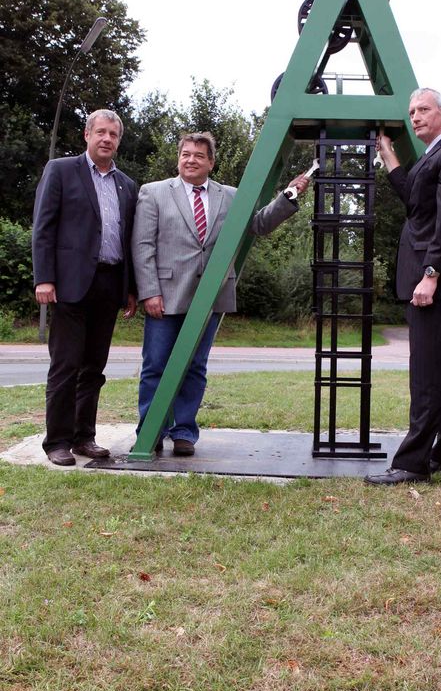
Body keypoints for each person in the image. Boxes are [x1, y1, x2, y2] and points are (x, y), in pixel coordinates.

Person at [132, 131, 310, 456]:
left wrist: (289, 195)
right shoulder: (153, 193)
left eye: (199, 155)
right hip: (164, 296)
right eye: (186, 154)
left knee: (195, 367)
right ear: (178, 157)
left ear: (211, 162)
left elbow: (258, 225)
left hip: (211, 297)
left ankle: (184, 432)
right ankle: (151, 430)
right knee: (156, 364)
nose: (191, 160)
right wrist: (148, 292)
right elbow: (142, 246)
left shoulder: (231, 196)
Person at [365, 88, 441, 486]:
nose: (415, 117)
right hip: (428, 278)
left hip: (433, 281)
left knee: (427, 373)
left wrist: (430, 274)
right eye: (411, 111)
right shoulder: (434, 155)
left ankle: (413, 464)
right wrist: (386, 150)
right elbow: (413, 198)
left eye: (424, 110)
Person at [32, 109, 138, 466]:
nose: (107, 139)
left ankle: (83, 437)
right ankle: (57, 441)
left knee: (94, 367)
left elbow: (130, 239)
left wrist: (131, 288)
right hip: (68, 285)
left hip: (109, 284)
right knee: (66, 365)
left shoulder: (127, 184)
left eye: (114, 135)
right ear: (87, 135)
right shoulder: (61, 170)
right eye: (101, 132)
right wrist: (43, 278)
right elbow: (43, 228)